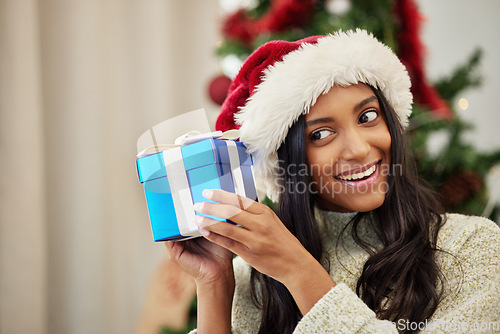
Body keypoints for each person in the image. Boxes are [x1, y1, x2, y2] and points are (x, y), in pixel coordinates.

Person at [164, 30, 500, 333]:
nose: (358, 149)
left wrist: (299, 271)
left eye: (368, 116)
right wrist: (215, 283)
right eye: (321, 134)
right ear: (287, 162)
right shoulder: (252, 279)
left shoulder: (472, 247)